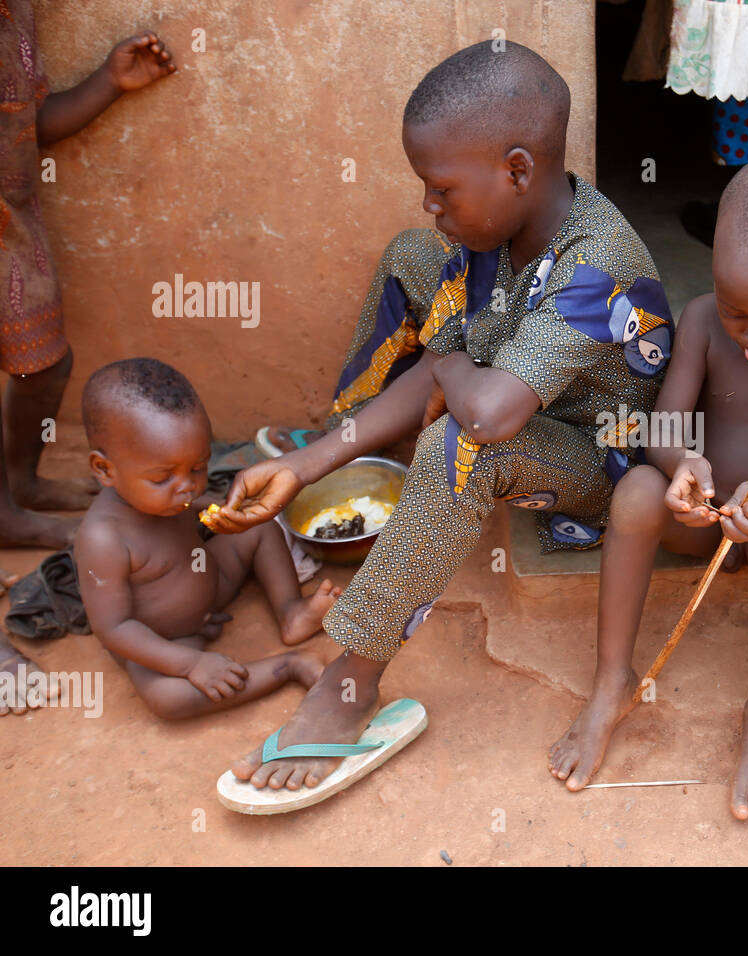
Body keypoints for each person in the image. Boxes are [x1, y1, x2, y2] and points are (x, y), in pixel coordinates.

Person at [206, 41, 671, 792]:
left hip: (598, 459)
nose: (431, 202)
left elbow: (485, 412)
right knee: (412, 256)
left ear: (518, 170)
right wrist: (303, 466)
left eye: (441, 187)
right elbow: (452, 355)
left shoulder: (600, 261)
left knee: (464, 444)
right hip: (503, 383)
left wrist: (447, 363)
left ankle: (350, 683)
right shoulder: (502, 226)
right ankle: (365, 458)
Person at [548, 155, 748, 822]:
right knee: (636, 490)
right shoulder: (698, 319)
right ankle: (613, 681)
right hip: (699, 523)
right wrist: (681, 467)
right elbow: (666, 426)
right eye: (737, 311)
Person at [0, 7, 176, 714]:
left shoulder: (19, 15)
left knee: (43, 364)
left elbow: (28, 124)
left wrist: (107, 83)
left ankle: (13, 495)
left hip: (10, 224)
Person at [73, 359, 333, 719]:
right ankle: (288, 666)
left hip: (214, 585)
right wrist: (189, 663)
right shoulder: (103, 539)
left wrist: (221, 507)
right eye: (162, 477)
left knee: (258, 527)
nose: (187, 486)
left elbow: (191, 500)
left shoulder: (172, 496)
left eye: (198, 467)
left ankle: (291, 611)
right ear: (104, 469)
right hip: (168, 639)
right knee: (169, 699)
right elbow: (113, 628)